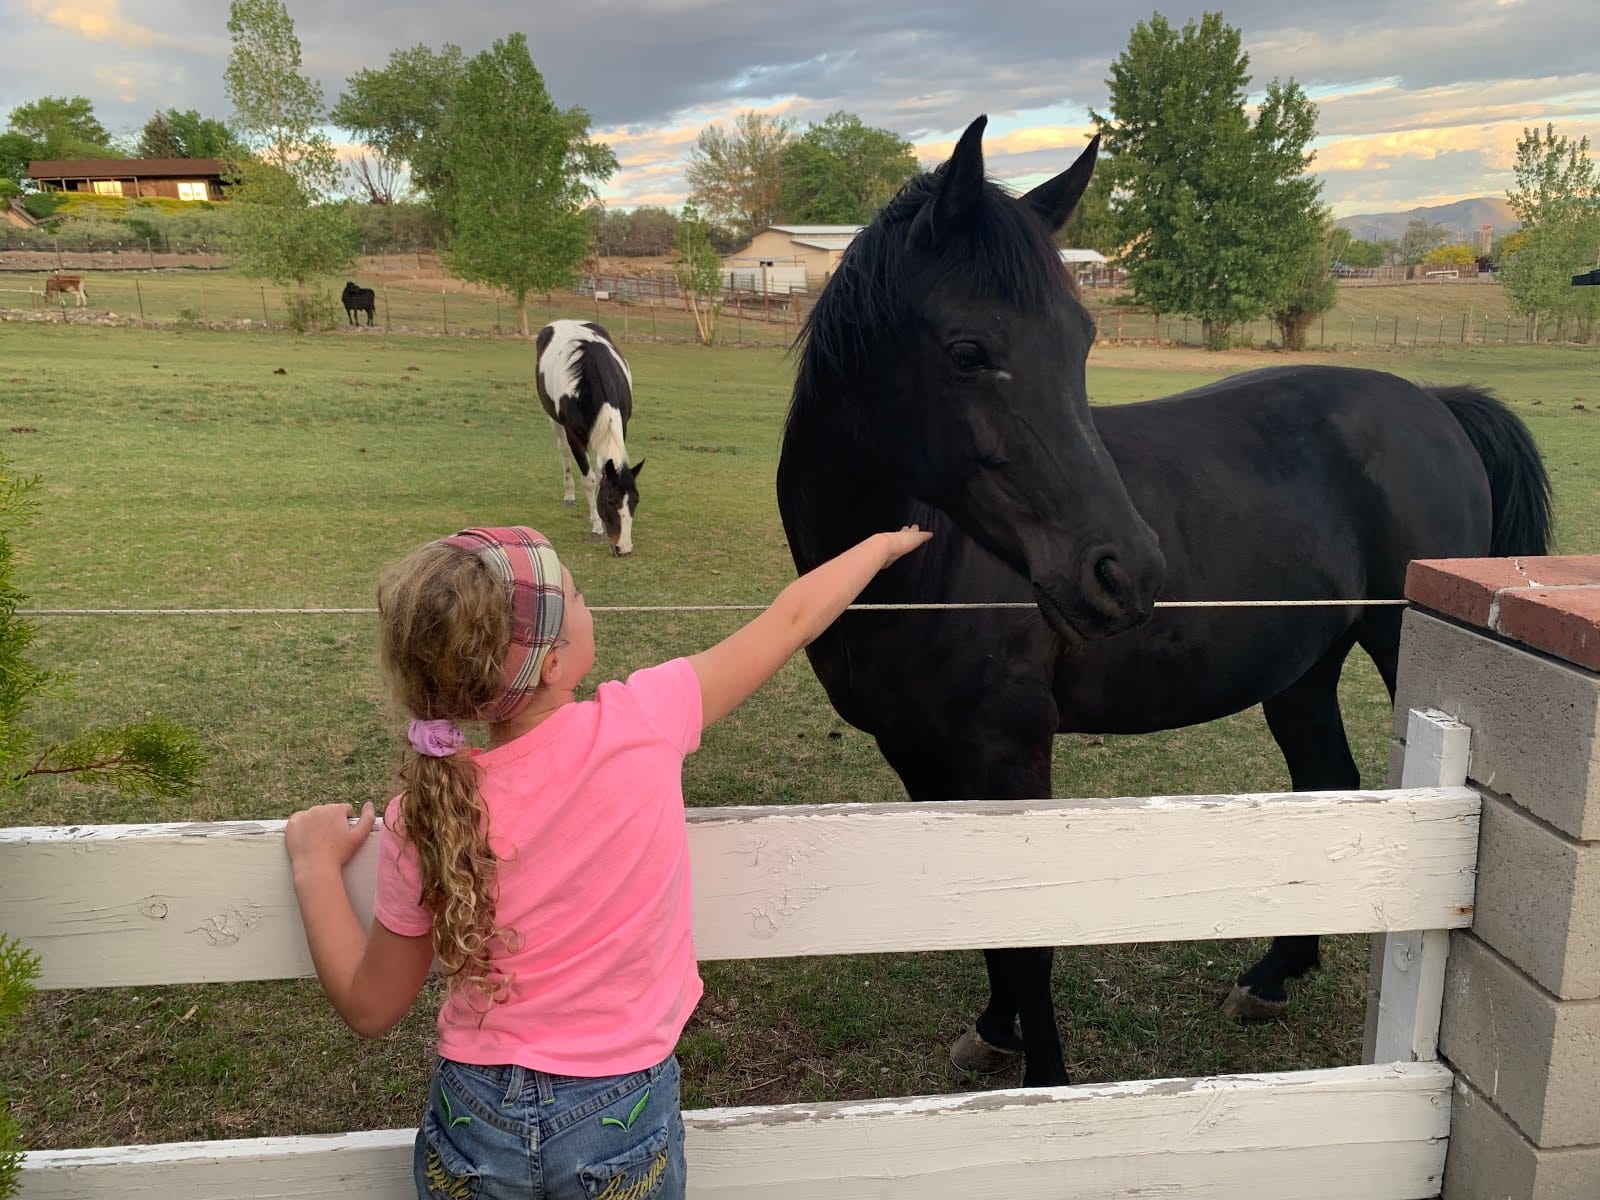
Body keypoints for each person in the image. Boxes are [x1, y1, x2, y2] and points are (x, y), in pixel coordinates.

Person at [283, 521, 931, 1200]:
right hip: (620, 1108)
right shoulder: (644, 720)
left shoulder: (424, 813)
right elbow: (793, 617)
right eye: (580, 595)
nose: (591, 603)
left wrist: (313, 867)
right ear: (554, 664)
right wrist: (881, 546)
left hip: (474, 1113)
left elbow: (370, 1005)